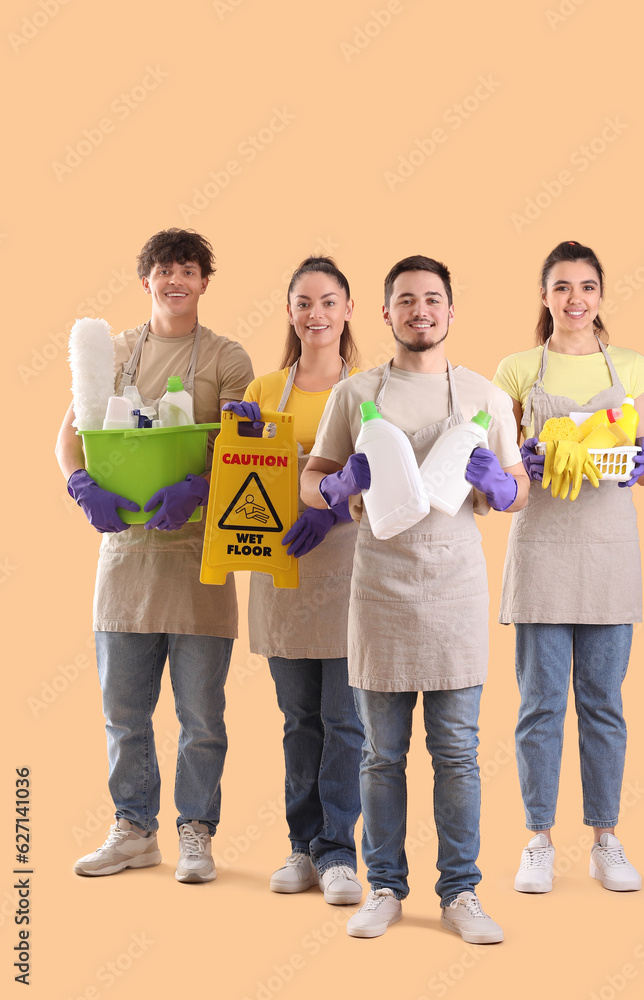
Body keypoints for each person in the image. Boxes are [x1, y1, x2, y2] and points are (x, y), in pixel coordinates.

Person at [301, 255, 529, 943]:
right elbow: (313, 479)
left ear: (451, 312)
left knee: (457, 751)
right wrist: (338, 487)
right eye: (405, 300)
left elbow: (515, 490)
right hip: (379, 589)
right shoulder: (355, 394)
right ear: (385, 314)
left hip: (455, 588)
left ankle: (460, 893)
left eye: (432, 300)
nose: (419, 311)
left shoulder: (484, 397)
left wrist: (501, 483)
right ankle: (385, 888)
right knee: (380, 754)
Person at [56, 228, 254, 883]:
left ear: (203, 282)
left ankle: (195, 831)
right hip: (126, 562)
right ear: (146, 280)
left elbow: (245, 451)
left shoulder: (226, 358)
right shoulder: (110, 353)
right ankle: (134, 829)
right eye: (164, 269)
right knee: (123, 713)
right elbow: (72, 436)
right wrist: (79, 482)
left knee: (201, 717)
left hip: (199, 561)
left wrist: (201, 486)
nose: (175, 280)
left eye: (188, 270)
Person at [492, 240, 644, 895]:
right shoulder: (513, 372)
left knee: (602, 704)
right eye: (561, 287)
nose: (574, 299)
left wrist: (642, 462)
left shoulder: (633, 368)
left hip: (609, 553)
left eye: (585, 287)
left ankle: (604, 840)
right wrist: (519, 468)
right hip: (539, 553)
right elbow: (501, 486)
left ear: (600, 295)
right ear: (543, 296)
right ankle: (537, 839)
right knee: (538, 706)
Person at [224, 257, 364, 905]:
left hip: (349, 571)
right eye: (303, 302)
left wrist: (331, 507)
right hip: (282, 571)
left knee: (346, 719)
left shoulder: (369, 392)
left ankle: (339, 851)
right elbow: (236, 477)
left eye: (328, 302)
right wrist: (234, 441)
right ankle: (301, 846)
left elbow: (384, 479)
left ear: (347, 311)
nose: (316, 314)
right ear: (289, 312)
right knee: (298, 719)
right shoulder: (261, 391)